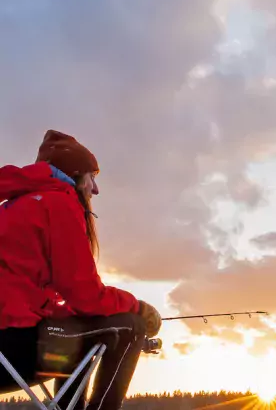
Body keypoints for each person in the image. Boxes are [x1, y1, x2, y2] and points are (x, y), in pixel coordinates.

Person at [0, 130, 163, 410]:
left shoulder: (12, 207)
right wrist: (139, 307)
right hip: (13, 348)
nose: (95, 189)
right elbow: (86, 296)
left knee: (75, 329)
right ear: (74, 174)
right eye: (92, 177)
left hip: (8, 344)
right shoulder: (58, 203)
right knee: (130, 326)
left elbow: (27, 298)